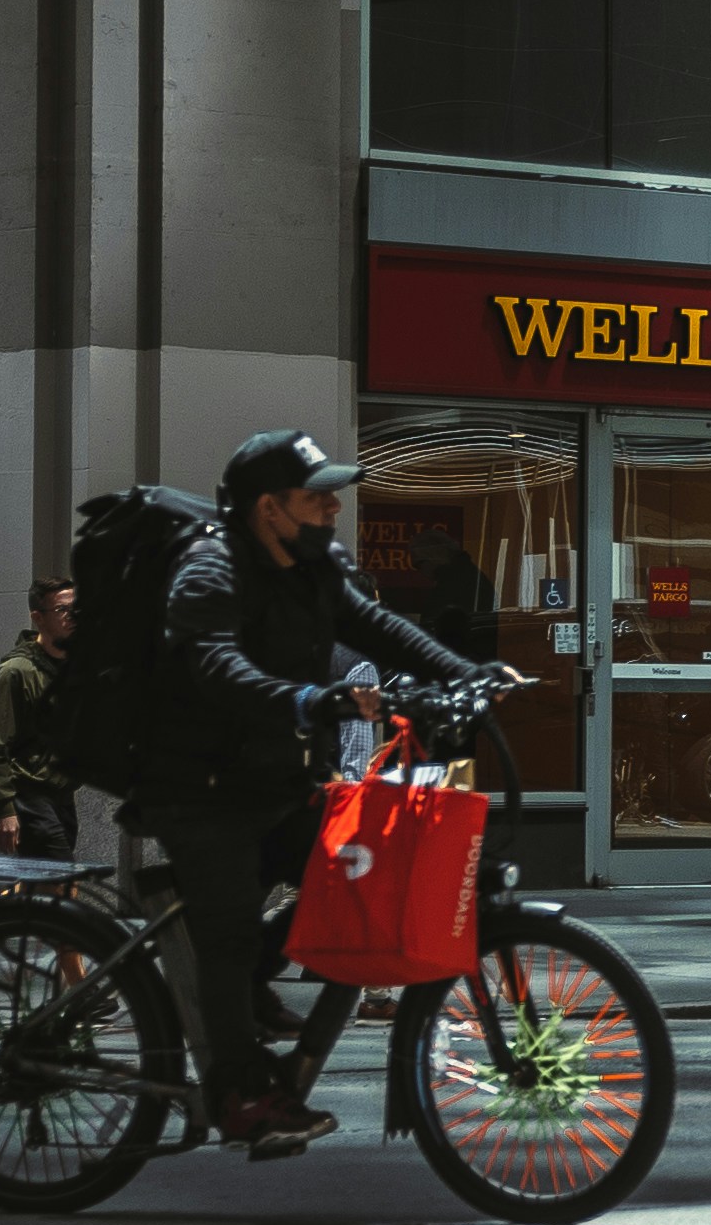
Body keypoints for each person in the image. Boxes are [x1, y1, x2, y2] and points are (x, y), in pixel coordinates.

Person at [128, 428, 480, 1158]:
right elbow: (215, 666)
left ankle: (255, 986)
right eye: (316, 497)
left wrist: (464, 672)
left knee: (358, 879)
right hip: (198, 786)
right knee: (224, 934)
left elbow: (374, 623)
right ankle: (242, 1095)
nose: (333, 510)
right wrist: (310, 701)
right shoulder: (209, 568)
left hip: (279, 779)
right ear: (268, 509)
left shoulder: (316, 562)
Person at [0, 578, 83, 859]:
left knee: (46, 886)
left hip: (62, 795)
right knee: (59, 880)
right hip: (28, 795)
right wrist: (4, 809)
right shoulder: (17, 671)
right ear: (38, 618)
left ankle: (20, 900)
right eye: (63, 610)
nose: (74, 616)